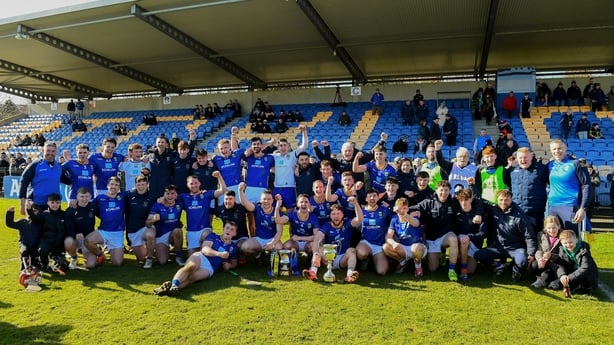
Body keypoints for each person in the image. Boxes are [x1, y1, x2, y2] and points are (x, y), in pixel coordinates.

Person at [153, 222, 239, 296]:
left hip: (210, 268)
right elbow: (205, 249)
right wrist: (219, 254)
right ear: (223, 229)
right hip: (201, 257)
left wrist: (229, 266)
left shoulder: (234, 248)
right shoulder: (213, 236)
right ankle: (174, 284)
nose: (229, 230)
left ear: (235, 233)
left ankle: (168, 289)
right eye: (227, 228)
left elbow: (234, 263)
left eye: (232, 229)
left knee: (192, 278)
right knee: (190, 267)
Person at [411, 180, 468, 281]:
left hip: (446, 236)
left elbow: (470, 201)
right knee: (433, 268)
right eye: (441, 190)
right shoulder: (428, 202)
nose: (444, 193)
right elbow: (412, 208)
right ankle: (440, 254)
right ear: (436, 190)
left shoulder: (454, 202)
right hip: (432, 238)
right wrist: (400, 210)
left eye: (446, 190)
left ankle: (451, 270)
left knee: (453, 239)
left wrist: (478, 213)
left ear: (450, 191)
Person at [474, 190, 537, 281]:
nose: (503, 202)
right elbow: (479, 200)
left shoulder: (519, 215)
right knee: (478, 255)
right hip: (498, 248)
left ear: (511, 199)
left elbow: (529, 236)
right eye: (501, 200)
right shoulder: (494, 209)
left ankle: (515, 270)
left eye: (506, 200)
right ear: (497, 200)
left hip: (515, 249)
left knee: (523, 261)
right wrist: (472, 186)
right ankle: (500, 265)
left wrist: (531, 253)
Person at [302, 200, 362, 283]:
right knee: (318, 249)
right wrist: (316, 253)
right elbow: (317, 238)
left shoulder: (348, 223)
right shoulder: (326, 225)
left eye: (338, 214)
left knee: (352, 250)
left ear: (342, 215)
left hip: (343, 258)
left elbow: (359, 219)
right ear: (330, 216)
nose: (336, 216)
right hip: (328, 257)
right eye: (333, 214)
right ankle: (313, 272)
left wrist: (355, 203)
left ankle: (350, 275)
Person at [177, 174, 226, 260]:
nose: (194, 185)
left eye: (196, 183)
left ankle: (211, 253)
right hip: (191, 232)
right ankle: (203, 251)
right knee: (192, 258)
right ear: (188, 185)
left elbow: (223, 190)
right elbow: (170, 197)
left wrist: (219, 177)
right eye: (191, 183)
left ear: (199, 183)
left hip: (204, 230)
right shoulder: (184, 197)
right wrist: (162, 199)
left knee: (207, 235)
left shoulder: (206, 194)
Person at [547, 139, 590, 235]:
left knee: (571, 238)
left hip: (570, 206)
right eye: (554, 149)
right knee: (554, 238)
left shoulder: (576, 163)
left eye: (559, 148)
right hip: (553, 207)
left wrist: (583, 208)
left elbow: (586, 185)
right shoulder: (550, 165)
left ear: (565, 148)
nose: (556, 151)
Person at [85, 176, 126, 266]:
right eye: (112, 184)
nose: (114, 187)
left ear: (119, 188)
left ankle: (112, 248)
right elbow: (88, 207)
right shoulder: (99, 198)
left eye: (116, 185)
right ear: (107, 185)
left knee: (117, 263)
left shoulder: (123, 197)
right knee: (88, 241)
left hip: (117, 233)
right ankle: (100, 254)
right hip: (104, 231)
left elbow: (137, 192)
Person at [507, 148, 549, 234]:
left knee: (535, 239)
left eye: (525, 157)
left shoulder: (542, 169)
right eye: (520, 158)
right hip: (517, 212)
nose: (523, 160)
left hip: (535, 213)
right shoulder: (512, 171)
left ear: (531, 156)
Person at [19, 142, 67, 214]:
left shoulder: (59, 167)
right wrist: (22, 205)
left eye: (53, 151)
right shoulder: (35, 165)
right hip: (37, 204)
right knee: (35, 225)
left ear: (56, 152)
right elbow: (23, 182)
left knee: (54, 225)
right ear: (43, 151)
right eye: (48, 150)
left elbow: (68, 181)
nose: (50, 153)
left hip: (54, 205)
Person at [383, 197, 425, 277]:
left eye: (404, 208)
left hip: (417, 246)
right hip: (403, 248)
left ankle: (418, 267)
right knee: (385, 247)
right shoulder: (394, 219)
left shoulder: (413, 215)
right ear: (395, 209)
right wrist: (393, 243)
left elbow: (416, 223)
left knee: (416, 248)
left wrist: (404, 214)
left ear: (408, 209)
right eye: (399, 208)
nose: (402, 210)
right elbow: (388, 236)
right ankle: (403, 262)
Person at [145, 185, 185, 267]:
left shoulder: (179, 204)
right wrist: (153, 220)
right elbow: (147, 224)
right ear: (164, 194)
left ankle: (178, 256)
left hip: (173, 233)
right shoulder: (157, 205)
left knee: (178, 231)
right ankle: (156, 250)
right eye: (167, 193)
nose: (170, 196)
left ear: (176, 195)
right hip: (161, 235)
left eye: (172, 193)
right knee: (162, 261)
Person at [270, 125, 308, 211]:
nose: (283, 147)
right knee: (276, 211)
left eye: (285, 145)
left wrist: (304, 132)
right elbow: (260, 153)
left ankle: (290, 224)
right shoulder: (274, 156)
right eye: (281, 146)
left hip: (290, 188)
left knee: (290, 212)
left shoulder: (292, 155)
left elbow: (304, 146)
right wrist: (269, 143)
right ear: (278, 147)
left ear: (289, 146)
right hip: (277, 188)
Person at [356, 189, 391, 275]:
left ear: (378, 198)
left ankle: (374, 261)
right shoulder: (361, 211)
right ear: (366, 199)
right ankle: (365, 259)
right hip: (365, 242)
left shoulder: (384, 210)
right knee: (361, 253)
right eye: (370, 196)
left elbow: (395, 220)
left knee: (382, 271)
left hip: (379, 245)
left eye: (374, 196)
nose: (372, 198)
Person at [239, 191, 284, 259]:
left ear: (272, 200)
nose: (266, 201)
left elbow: (279, 231)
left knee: (279, 248)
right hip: (259, 239)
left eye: (269, 199)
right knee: (244, 247)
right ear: (260, 200)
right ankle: (258, 253)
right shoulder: (257, 207)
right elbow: (245, 203)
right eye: (264, 199)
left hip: (272, 238)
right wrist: (240, 190)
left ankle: (272, 256)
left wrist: (271, 243)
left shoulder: (277, 212)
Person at [454, 188, 487, 281]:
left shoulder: (479, 215)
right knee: (463, 240)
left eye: (466, 200)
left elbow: (483, 234)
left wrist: (469, 237)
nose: (464, 203)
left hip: (474, 244)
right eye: (461, 200)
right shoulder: (456, 213)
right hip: (460, 242)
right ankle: (463, 268)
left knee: (471, 270)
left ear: (471, 199)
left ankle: (463, 262)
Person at [555, 230, 599, 297]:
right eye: (565, 243)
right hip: (574, 272)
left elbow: (585, 267)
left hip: (587, 273)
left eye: (570, 242)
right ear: (561, 243)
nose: (568, 245)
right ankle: (575, 286)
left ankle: (587, 288)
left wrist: (569, 277)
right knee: (562, 283)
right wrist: (562, 275)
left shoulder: (584, 250)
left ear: (576, 240)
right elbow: (560, 264)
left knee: (586, 275)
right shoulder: (562, 250)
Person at [30, 193, 66, 273]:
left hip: (59, 242)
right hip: (47, 240)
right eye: (52, 202)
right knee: (42, 250)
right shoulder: (44, 214)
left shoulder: (64, 214)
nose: (55, 205)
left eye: (57, 202)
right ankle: (44, 265)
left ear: (60, 203)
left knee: (62, 266)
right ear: (48, 203)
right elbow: (34, 218)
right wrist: (29, 209)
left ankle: (58, 258)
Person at [124, 175, 155, 268]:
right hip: (134, 229)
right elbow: (126, 215)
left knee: (150, 235)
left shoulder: (152, 197)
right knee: (141, 258)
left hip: (146, 227)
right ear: (135, 185)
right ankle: (150, 247)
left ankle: (150, 258)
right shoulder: (129, 196)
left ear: (147, 184)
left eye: (143, 184)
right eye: (139, 184)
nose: (141, 186)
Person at [64, 188, 97, 269]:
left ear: (90, 197)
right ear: (77, 197)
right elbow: (67, 229)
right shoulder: (71, 210)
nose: (84, 199)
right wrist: (75, 234)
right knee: (68, 242)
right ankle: (74, 258)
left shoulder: (93, 206)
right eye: (82, 196)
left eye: (87, 196)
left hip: (88, 240)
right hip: (76, 239)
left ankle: (94, 251)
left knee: (91, 265)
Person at [529, 216, 562, 289]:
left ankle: (555, 280)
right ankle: (539, 278)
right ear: (545, 228)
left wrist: (551, 256)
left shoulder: (562, 236)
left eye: (554, 228)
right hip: (544, 261)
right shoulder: (541, 235)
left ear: (559, 227)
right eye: (549, 228)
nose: (551, 230)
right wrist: (540, 259)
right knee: (534, 265)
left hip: (556, 263)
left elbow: (564, 255)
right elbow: (539, 250)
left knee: (547, 277)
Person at [6, 203, 41, 270]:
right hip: (25, 245)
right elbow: (10, 224)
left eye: (35, 211)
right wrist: (10, 213)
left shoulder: (39, 222)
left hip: (35, 246)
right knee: (24, 253)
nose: (31, 212)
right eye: (29, 210)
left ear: (38, 211)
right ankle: (23, 267)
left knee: (35, 265)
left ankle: (37, 264)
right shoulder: (23, 222)